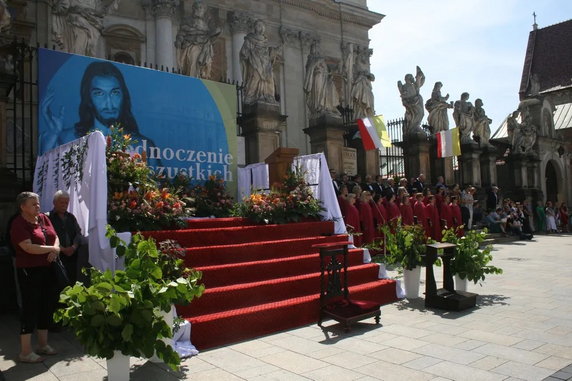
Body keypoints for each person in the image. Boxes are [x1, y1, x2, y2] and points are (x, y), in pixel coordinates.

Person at [40, 61, 155, 154]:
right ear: (88, 99)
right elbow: (49, 176)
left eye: (115, 93)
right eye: (99, 94)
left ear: (124, 95)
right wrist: (53, 136)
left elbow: (159, 182)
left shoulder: (142, 145)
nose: (109, 104)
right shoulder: (67, 139)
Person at [10, 192, 61, 363]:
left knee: (46, 305)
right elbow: (29, 248)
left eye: (38, 203)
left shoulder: (43, 219)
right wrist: (51, 250)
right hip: (30, 270)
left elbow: (56, 237)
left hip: (47, 269)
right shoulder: (18, 224)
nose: (37, 206)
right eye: (33, 204)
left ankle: (42, 345)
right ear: (22, 207)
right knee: (30, 307)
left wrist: (56, 249)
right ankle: (25, 352)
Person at [240, 19, 280, 104]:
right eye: (257, 25)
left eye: (261, 25)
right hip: (254, 60)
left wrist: (273, 52)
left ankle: (269, 96)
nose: (259, 27)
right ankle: (250, 96)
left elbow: (268, 54)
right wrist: (249, 52)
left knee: (270, 79)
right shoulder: (249, 39)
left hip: (265, 63)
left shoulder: (265, 41)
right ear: (254, 28)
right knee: (255, 77)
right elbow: (243, 52)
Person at [46, 191, 83, 284]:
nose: (64, 205)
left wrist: (74, 247)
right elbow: (46, 236)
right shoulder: (47, 217)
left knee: (72, 281)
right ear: (54, 203)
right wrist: (62, 249)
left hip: (72, 256)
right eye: (61, 202)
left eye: (66, 203)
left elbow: (78, 233)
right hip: (56, 257)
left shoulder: (71, 217)